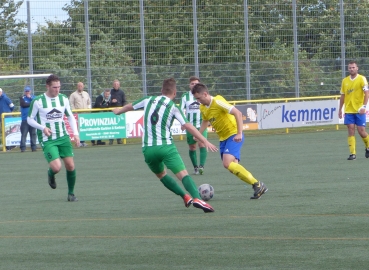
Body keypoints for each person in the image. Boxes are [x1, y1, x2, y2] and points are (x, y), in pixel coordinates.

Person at [113, 78, 217, 212]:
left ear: (161, 91)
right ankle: (197, 198)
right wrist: (204, 140)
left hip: (148, 149)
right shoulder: (173, 107)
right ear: (175, 93)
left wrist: (118, 111)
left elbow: (128, 107)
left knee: (162, 175)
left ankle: (184, 196)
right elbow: (188, 126)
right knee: (183, 175)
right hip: (166, 147)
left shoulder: (148, 100)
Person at [191, 83, 268, 200]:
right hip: (223, 139)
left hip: (233, 134)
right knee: (233, 167)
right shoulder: (202, 107)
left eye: (199, 98)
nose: (198, 101)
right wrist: (198, 134)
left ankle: (257, 184)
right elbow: (205, 121)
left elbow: (237, 113)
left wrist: (239, 133)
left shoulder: (217, 101)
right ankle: (257, 186)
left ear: (205, 94)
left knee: (227, 163)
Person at [27, 74, 80, 202]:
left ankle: (71, 194)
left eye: (59, 87)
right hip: (48, 139)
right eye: (54, 87)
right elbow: (29, 119)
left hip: (63, 136)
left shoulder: (63, 99)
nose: (57, 90)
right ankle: (51, 174)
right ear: (48, 86)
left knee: (70, 166)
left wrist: (76, 133)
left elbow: (70, 117)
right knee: (57, 167)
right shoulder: (38, 101)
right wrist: (42, 128)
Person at [338, 61, 369, 160]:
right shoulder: (345, 81)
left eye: (353, 67)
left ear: (357, 68)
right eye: (350, 68)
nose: (351, 69)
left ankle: (368, 146)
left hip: (359, 109)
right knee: (350, 129)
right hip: (348, 110)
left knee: (361, 131)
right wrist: (340, 109)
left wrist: (364, 106)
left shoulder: (362, 79)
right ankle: (353, 154)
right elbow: (343, 96)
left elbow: (367, 93)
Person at [180, 76, 208, 175]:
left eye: (196, 83)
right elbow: (181, 111)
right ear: (189, 85)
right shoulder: (185, 97)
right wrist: (183, 122)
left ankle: (201, 166)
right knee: (192, 147)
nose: (194, 85)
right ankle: (195, 167)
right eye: (192, 84)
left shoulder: (204, 96)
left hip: (201, 125)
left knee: (202, 144)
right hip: (190, 126)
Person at [69, 82, 91, 147]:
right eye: (79, 86)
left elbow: (89, 102)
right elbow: (71, 103)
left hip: (85, 114)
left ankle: (83, 142)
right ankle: (78, 142)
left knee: (84, 128)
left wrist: (89, 109)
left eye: (81, 86)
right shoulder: (73, 95)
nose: (80, 87)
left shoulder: (86, 94)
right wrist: (74, 111)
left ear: (83, 86)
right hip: (78, 114)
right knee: (78, 129)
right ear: (77, 86)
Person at [19, 86, 37, 152]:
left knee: (33, 133)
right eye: (26, 91)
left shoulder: (34, 97)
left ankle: (34, 148)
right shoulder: (22, 98)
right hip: (25, 119)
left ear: (30, 91)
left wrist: (31, 99)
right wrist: (31, 103)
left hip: (32, 119)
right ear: (24, 91)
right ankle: (23, 148)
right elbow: (23, 104)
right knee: (24, 134)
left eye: (28, 91)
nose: (27, 92)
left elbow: (36, 104)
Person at [109, 79, 127, 145]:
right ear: (113, 85)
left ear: (119, 85)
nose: (116, 85)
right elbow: (106, 101)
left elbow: (124, 101)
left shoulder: (122, 92)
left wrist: (123, 108)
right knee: (111, 127)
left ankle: (119, 140)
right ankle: (111, 141)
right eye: (115, 84)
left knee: (119, 126)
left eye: (117, 84)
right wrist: (111, 101)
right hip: (111, 112)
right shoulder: (110, 92)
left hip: (119, 111)